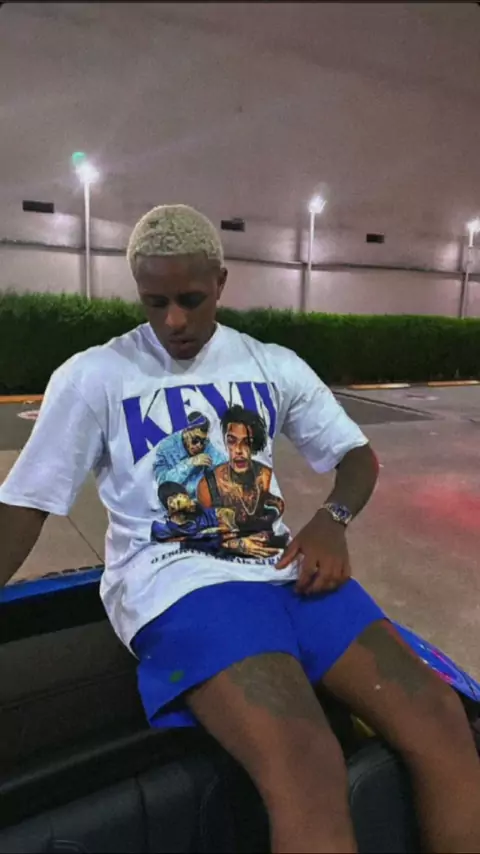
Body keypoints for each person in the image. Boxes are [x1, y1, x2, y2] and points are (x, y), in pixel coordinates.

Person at [0, 204, 479, 854]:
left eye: (190, 300)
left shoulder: (269, 363)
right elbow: (25, 505)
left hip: (284, 570)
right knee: (309, 764)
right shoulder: (96, 377)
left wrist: (332, 520)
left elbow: (356, 457)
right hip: (181, 585)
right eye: (155, 302)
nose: (173, 321)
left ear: (220, 283)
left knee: (441, 716)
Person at [197, 403, 288, 558]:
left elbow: (276, 518)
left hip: (268, 560)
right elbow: (202, 537)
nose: (239, 450)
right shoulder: (208, 486)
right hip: (219, 562)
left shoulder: (265, 476)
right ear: (225, 442)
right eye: (232, 441)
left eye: (247, 442)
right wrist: (235, 544)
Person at [153, 410, 225, 497]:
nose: (199, 446)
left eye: (203, 441)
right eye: (195, 440)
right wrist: (189, 464)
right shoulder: (165, 449)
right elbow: (163, 485)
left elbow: (224, 466)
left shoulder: (207, 447)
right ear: (185, 433)